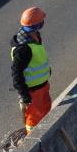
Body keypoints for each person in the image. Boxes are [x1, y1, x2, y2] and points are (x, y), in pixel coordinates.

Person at [11, 7, 52, 135]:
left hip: (42, 86)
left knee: (46, 110)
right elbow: (16, 73)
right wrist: (24, 95)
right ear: (37, 24)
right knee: (33, 119)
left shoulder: (35, 36)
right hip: (32, 92)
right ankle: (32, 140)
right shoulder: (23, 49)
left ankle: (47, 132)